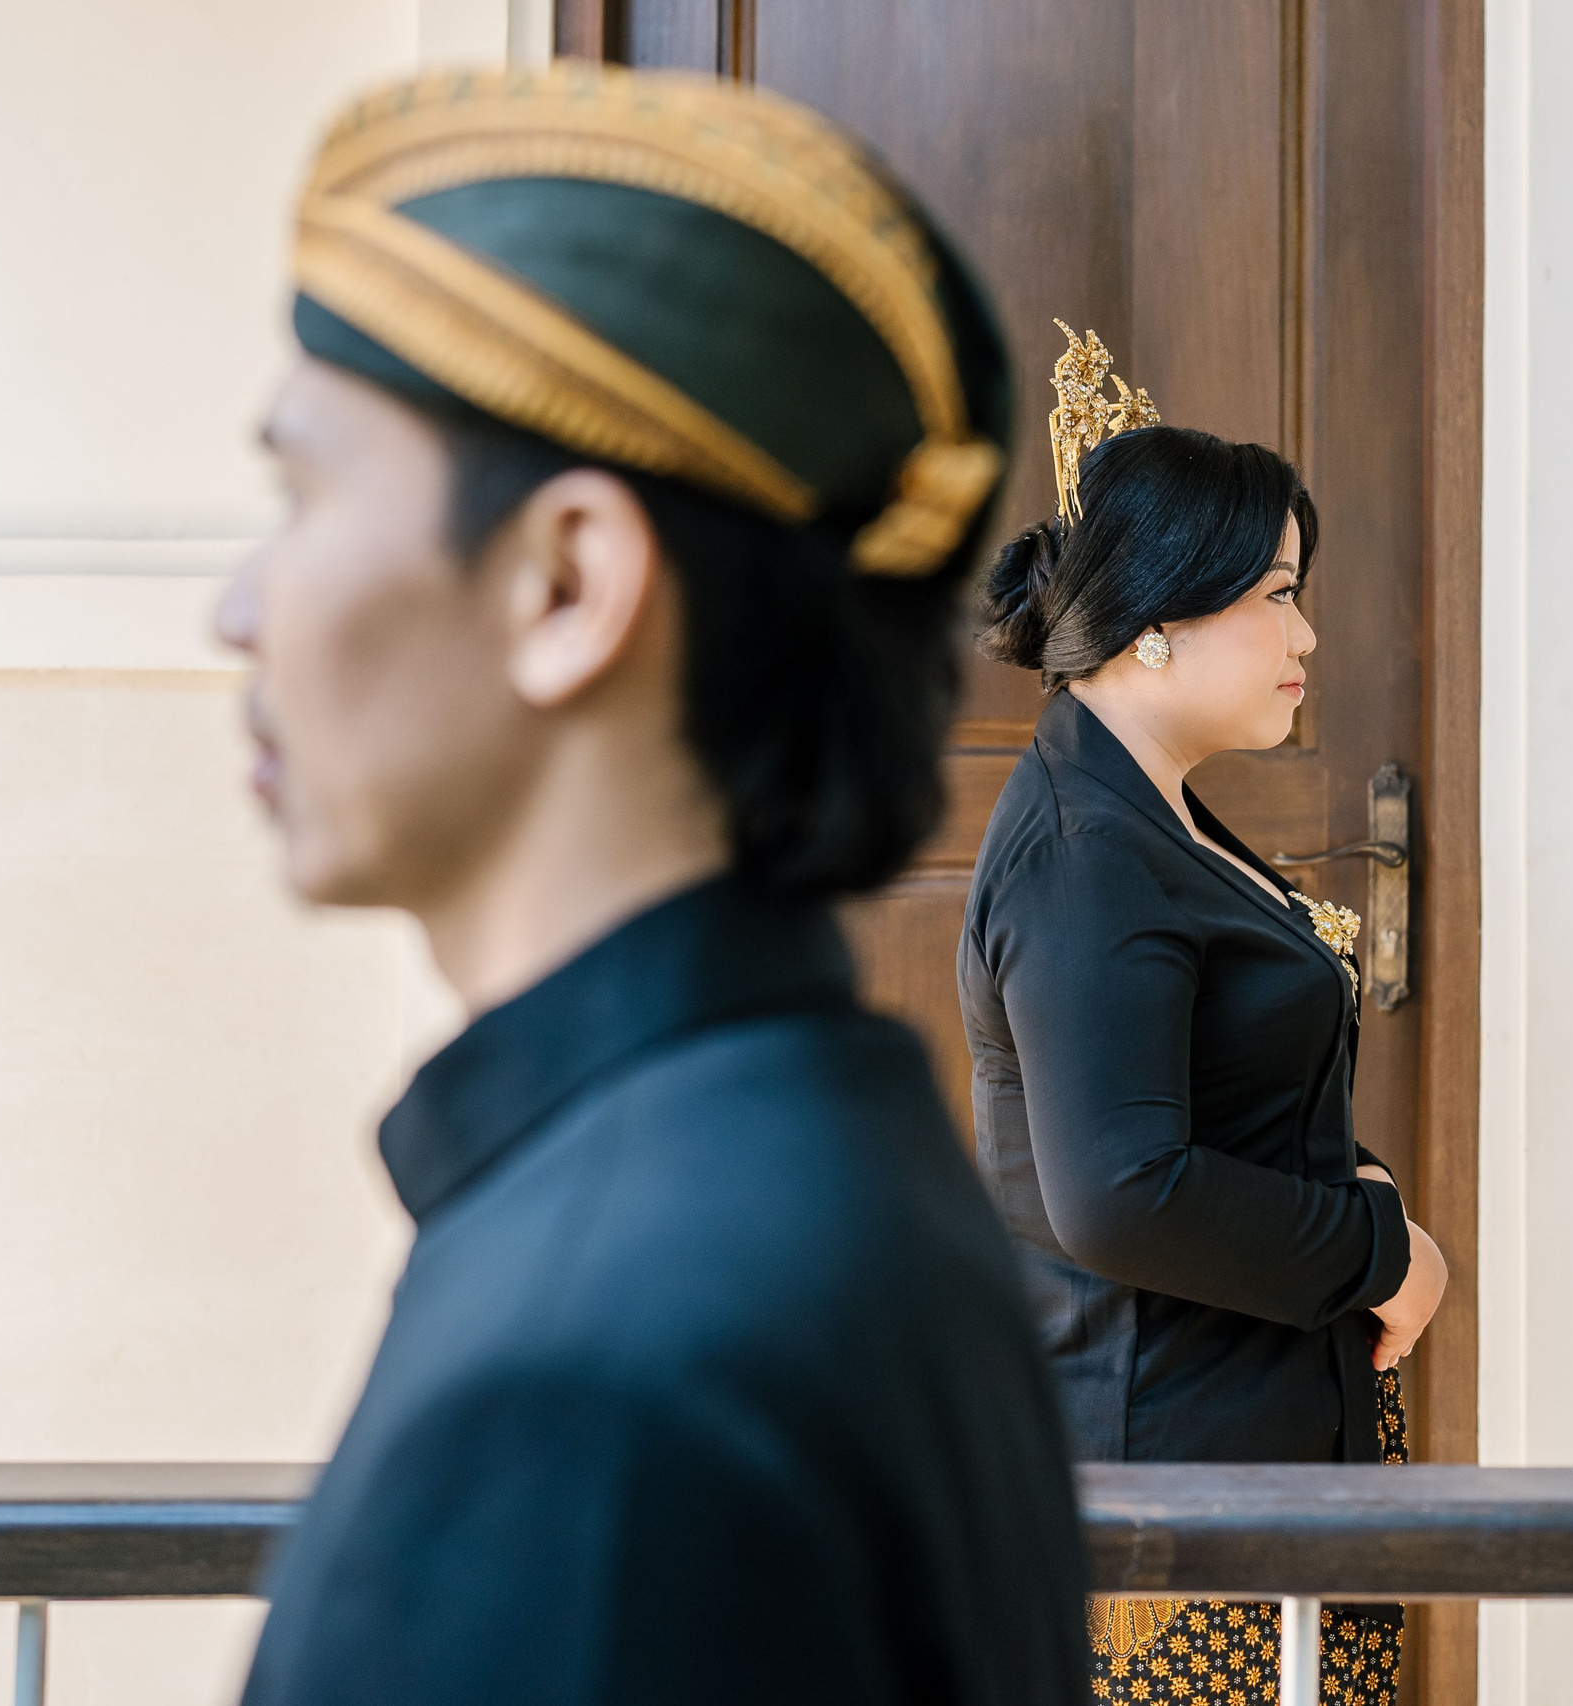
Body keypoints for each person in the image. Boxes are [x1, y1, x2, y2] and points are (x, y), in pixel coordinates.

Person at [219, 63, 1088, 1704]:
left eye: (303, 495)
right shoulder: (811, 1163)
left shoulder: (593, 1378)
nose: (239, 610)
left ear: (568, 580)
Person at [959, 327, 1450, 1703]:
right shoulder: (1084, 852)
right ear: (1161, 616)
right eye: (1280, 596)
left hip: (1247, 1462)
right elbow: (1119, 1192)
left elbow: (1219, 1092)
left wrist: (1353, 1191)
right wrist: (1379, 1250)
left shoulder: (1146, 809)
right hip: (1177, 1509)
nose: (1306, 637)